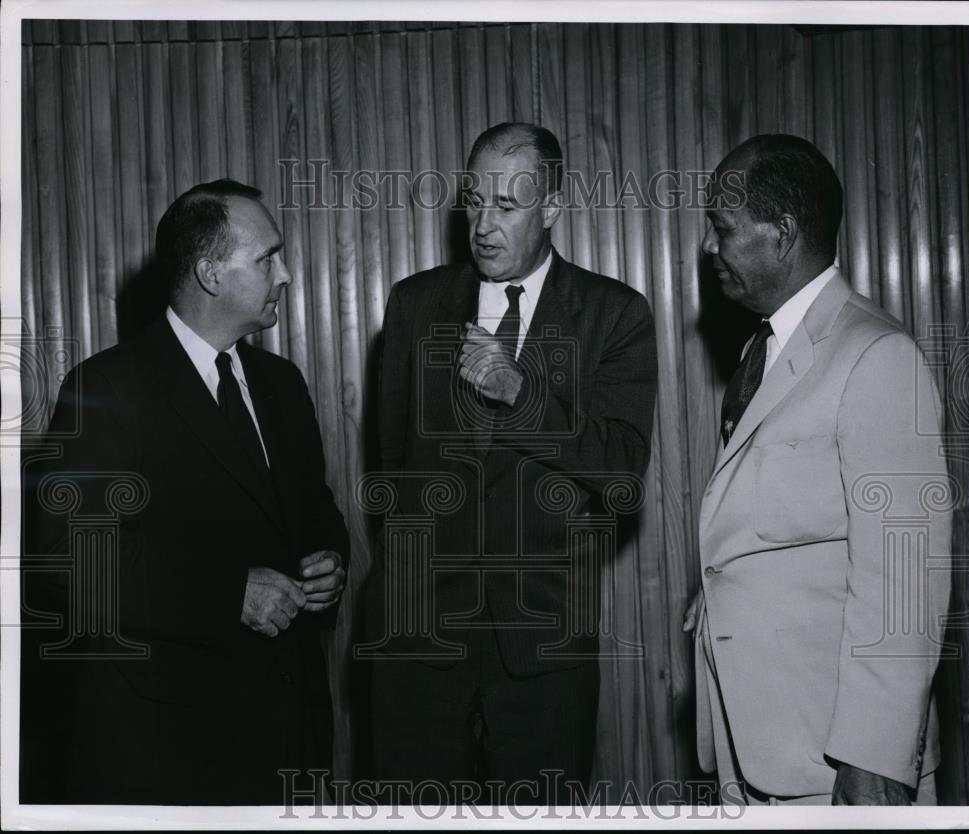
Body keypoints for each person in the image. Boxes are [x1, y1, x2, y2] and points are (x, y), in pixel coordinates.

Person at [22, 179, 350, 805]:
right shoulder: (105, 390)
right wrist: (231, 594)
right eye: (267, 258)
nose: (285, 274)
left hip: (290, 741)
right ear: (209, 274)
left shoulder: (282, 383)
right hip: (172, 753)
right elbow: (75, 567)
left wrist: (330, 560)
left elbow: (314, 511)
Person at [366, 122, 658, 803]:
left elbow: (620, 475)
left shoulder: (614, 314)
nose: (484, 225)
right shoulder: (414, 305)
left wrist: (522, 395)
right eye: (474, 201)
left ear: (551, 209)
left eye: (508, 205)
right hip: (417, 644)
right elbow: (389, 468)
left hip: (542, 652)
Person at [686, 134, 952, 805]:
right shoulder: (765, 348)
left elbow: (903, 583)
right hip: (766, 748)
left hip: (839, 767)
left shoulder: (875, 356)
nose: (711, 250)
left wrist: (874, 761)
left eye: (723, 229)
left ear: (782, 234)